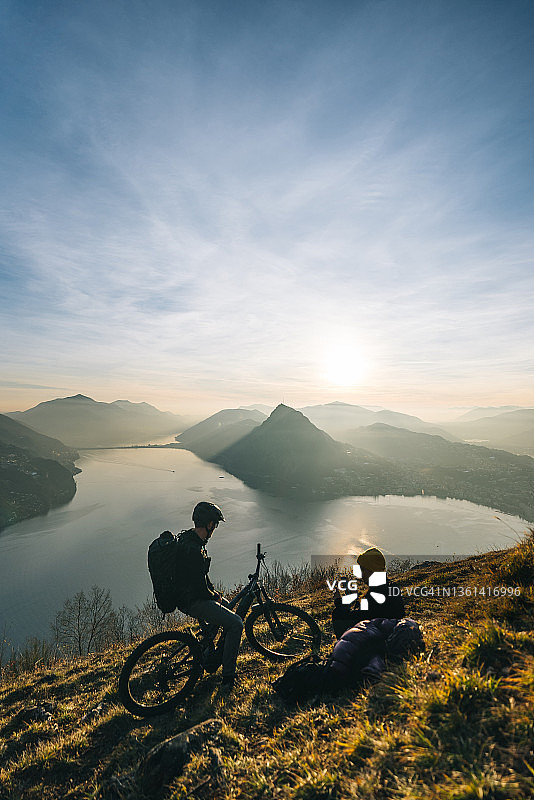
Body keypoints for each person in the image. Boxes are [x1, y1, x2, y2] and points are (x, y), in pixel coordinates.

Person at [174, 501, 243, 689]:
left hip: (187, 596)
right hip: (193, 601)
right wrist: (213, 596)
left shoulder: (189, 539)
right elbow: (200, 587)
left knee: (227, 605)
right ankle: (228, 678)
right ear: (209, 524)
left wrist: (216, 595)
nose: (215, 529)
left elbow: (201, 578)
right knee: (236, 624)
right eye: (215, 524)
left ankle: (207, 648)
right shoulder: (195, 550)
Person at [331, 547, 406, 639]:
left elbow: (358, 618)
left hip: (377, 640)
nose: (361, 574)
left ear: (372, 570)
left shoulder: (376, 593)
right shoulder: (391, 586)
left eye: (363, 570)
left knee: (338, 614)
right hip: (390, 634)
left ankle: (344, 644)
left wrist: (339, 602)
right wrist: (357, 601)